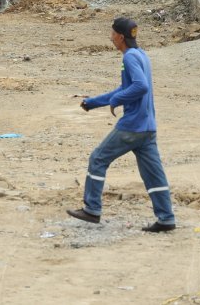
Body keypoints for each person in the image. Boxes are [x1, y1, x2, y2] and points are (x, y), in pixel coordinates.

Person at [68, 17, 176, 232]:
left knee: (98, 158)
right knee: (154, 174)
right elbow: (124, 88)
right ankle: (166, 219)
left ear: (119, 36)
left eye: (112, 34)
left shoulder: (129, 58)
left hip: (132, 126)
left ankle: (92, 209)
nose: (110, 38)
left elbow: (140, 86)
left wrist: (117, 101)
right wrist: (93, 103)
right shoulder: (141, 55)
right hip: (147, 127)